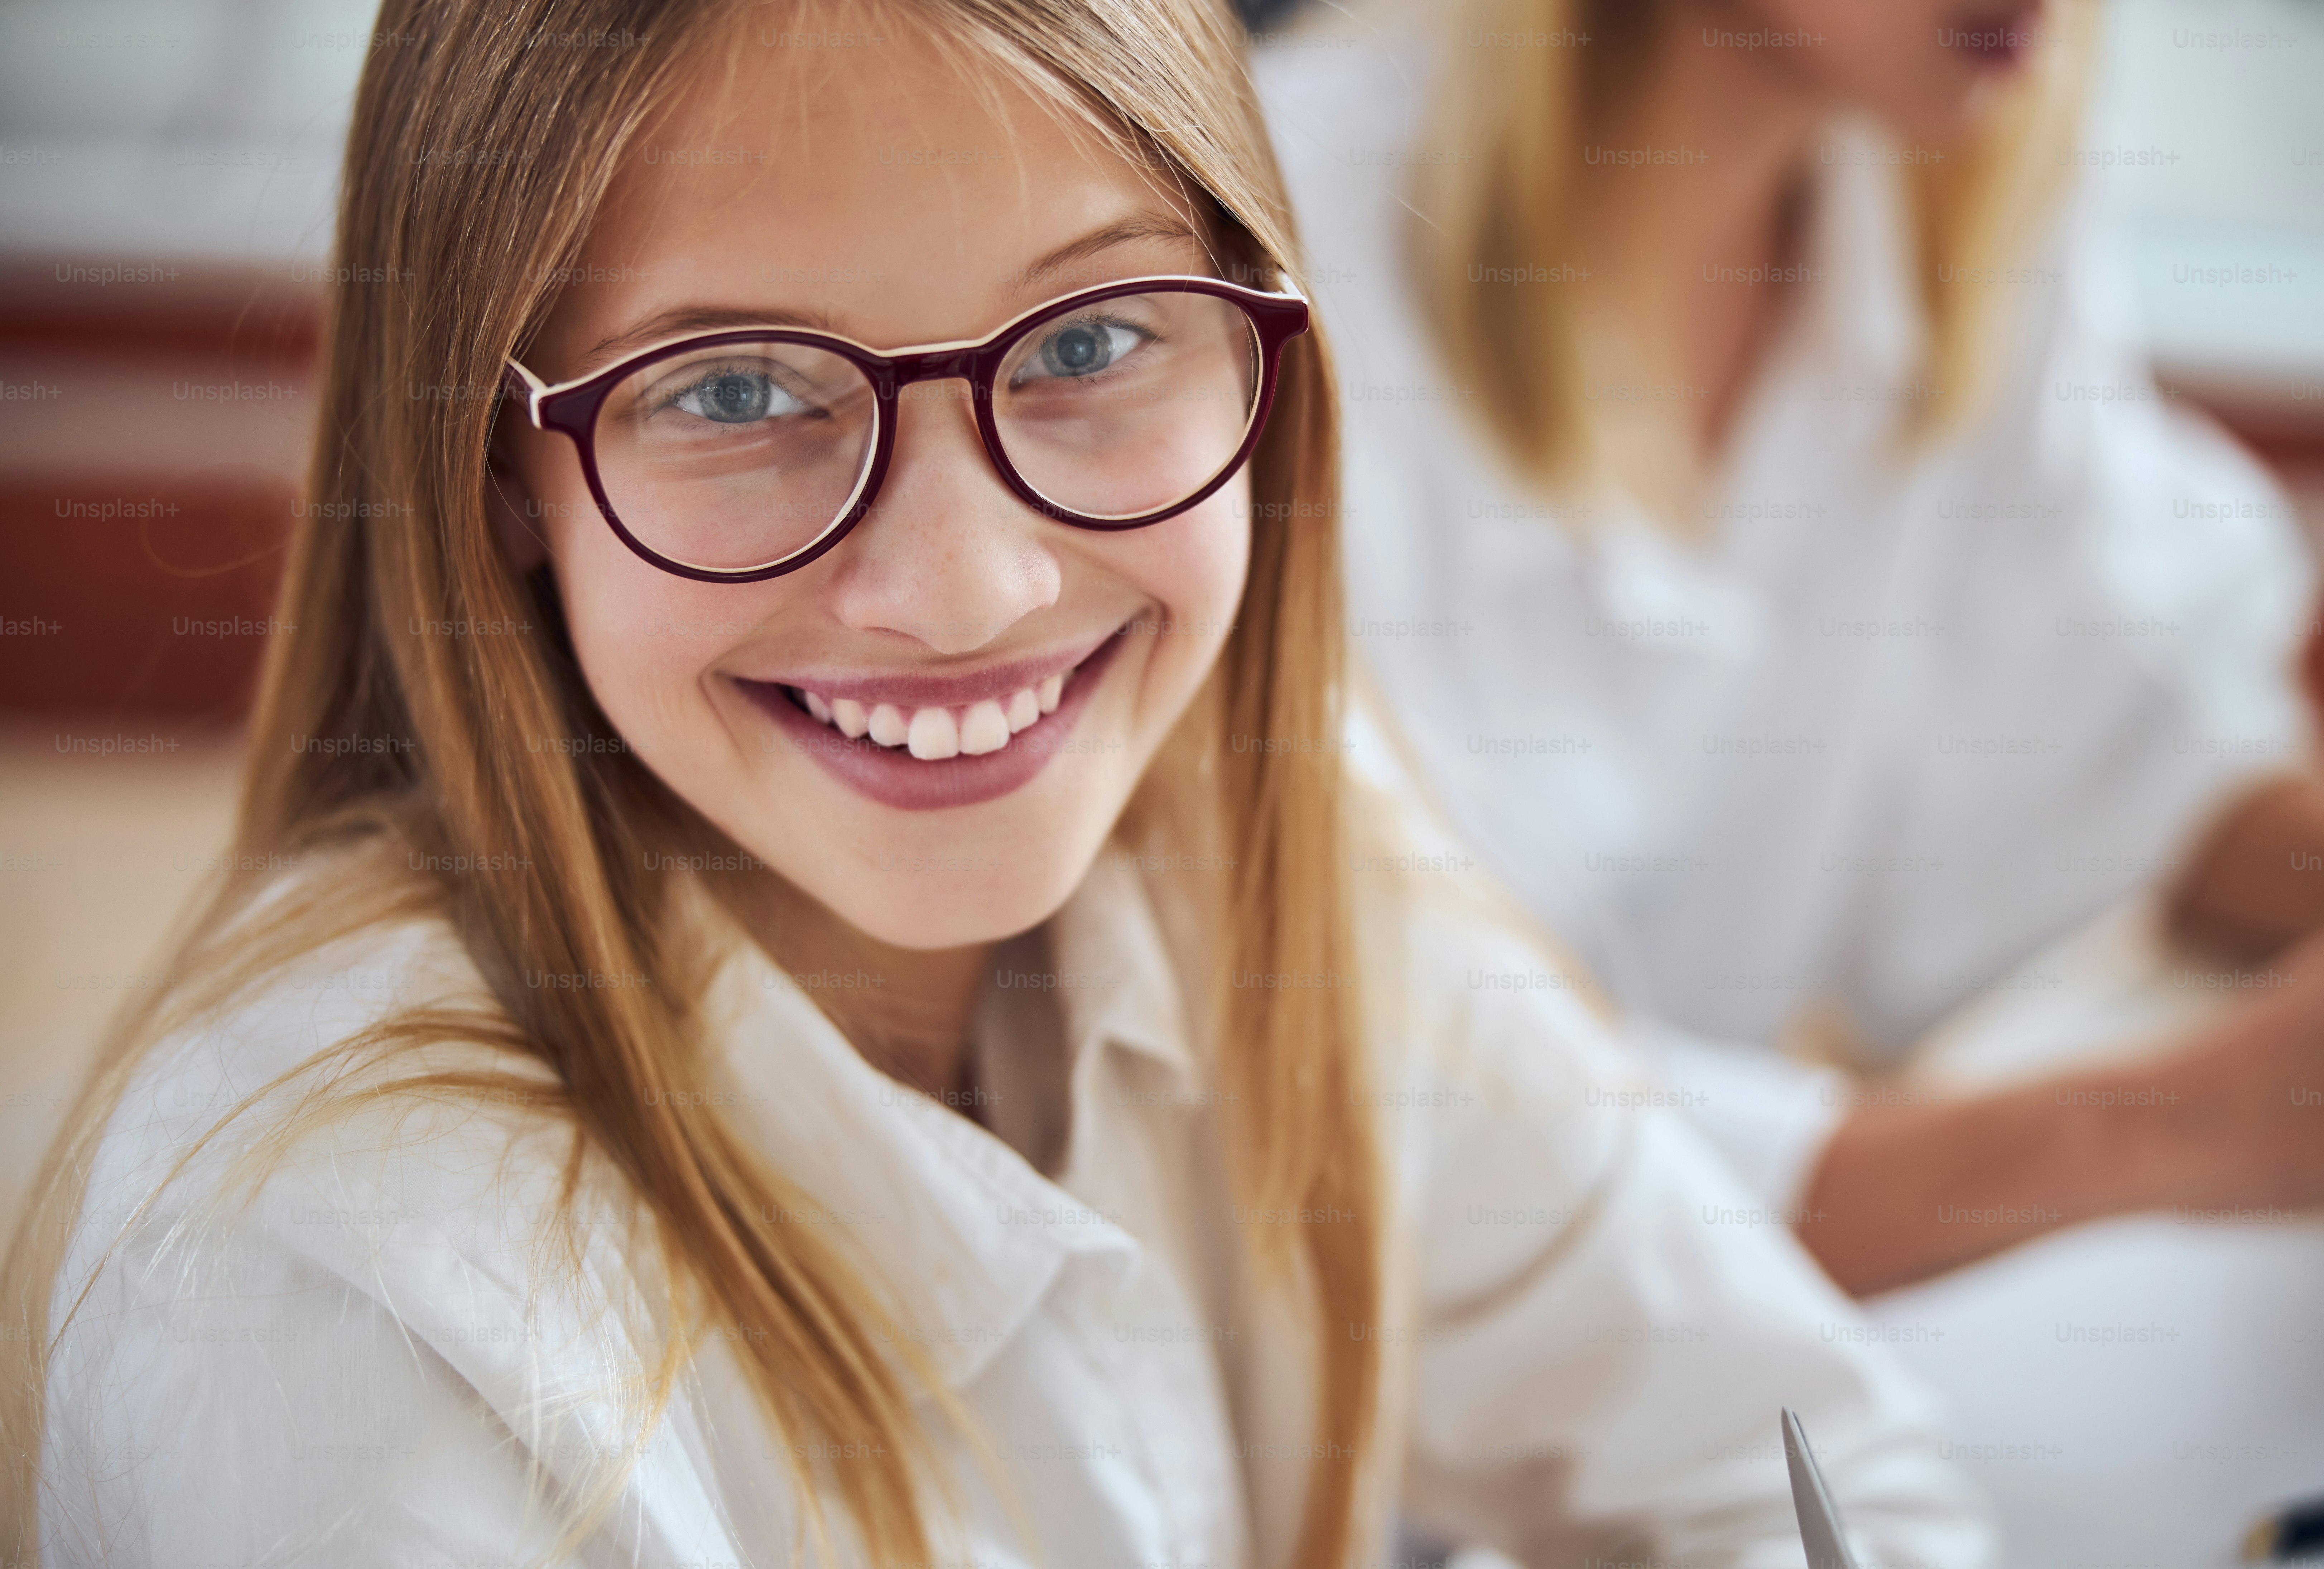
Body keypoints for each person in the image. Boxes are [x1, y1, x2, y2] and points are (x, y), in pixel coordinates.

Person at [0, 1, 1995, 1566]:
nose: (969, 592)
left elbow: (1813, 1481)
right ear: (501, 471)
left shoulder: (1250, 849)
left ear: (1261, 357)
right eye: (733, 392)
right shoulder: (336, 1306)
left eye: (1097, 338)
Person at [1252, 0, 2324, 1295]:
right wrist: (2170, 1130)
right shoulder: (1272, 257)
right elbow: (1412, 1154)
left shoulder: (1944, 195)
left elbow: (2129, 749)